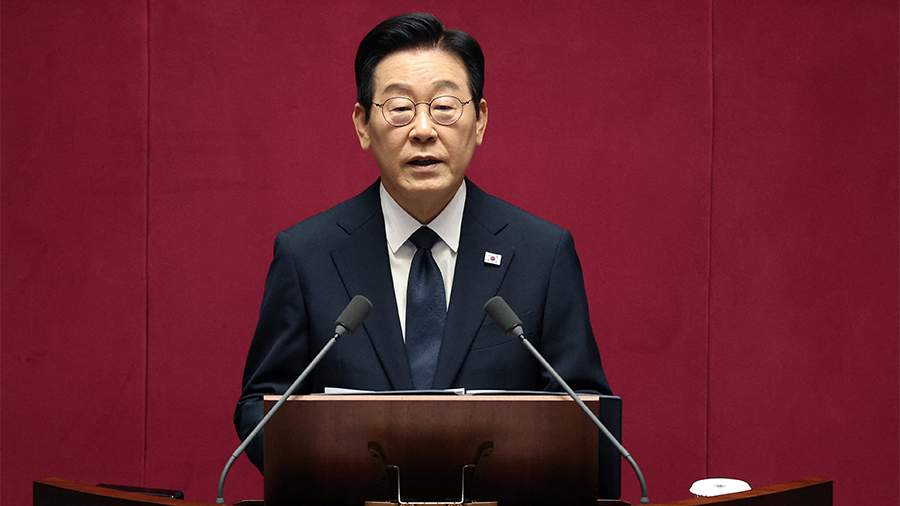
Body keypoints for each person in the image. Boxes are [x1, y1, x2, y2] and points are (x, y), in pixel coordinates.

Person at [234, 12, 612, 472]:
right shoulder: (307, 256)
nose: (423, 130)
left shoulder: (542, 254)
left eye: (445, 106)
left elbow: (584, 416)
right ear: (362, 124)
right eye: (399, 108)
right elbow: (259, 409)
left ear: (480, 120)